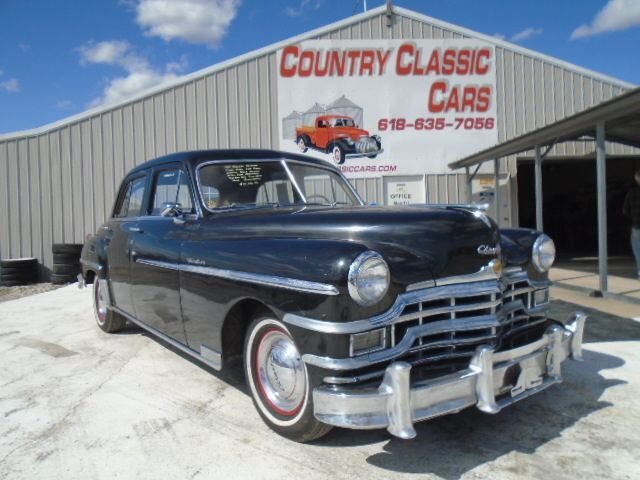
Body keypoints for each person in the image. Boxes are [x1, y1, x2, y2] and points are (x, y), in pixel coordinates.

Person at [623, 170, 640, 278]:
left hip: (637, 225)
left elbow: (625, 211)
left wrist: (633, 218)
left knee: (638, 250)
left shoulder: (631, 193)